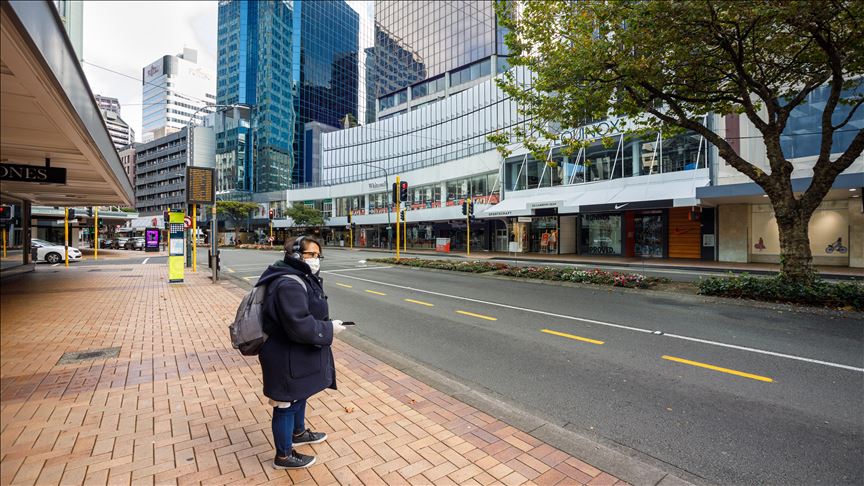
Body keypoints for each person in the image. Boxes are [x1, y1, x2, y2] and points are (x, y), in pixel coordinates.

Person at [255, 235, 346, 469]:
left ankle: (298, 433)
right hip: (284, 354)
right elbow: (299, 325)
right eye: (310, 255)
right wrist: (329, 328)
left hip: (295, 352)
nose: (316, 260)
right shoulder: (288, 283)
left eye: (318, 255)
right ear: (295, 255)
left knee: (301, 392)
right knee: (285, 402)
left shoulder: (300, 277)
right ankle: (283, 456)